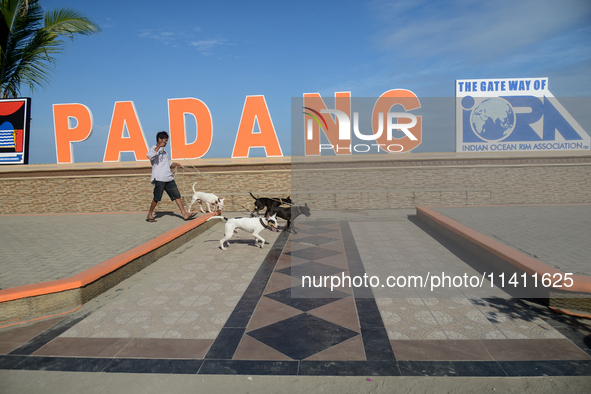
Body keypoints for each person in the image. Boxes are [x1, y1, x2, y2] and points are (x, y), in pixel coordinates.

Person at [146, 131, 193, 222]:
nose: (166, 143)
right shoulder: (153, 150)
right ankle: (150, 214)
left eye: (167, 141)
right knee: (157, 198)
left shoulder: (164, 152)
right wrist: (159, 146)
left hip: (169, 177)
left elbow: (165, 163)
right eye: (165, 141)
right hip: (160, 178)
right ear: (159, 139)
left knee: (177, 195)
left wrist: (173, 163)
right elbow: (150, 156)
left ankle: (184, 214)